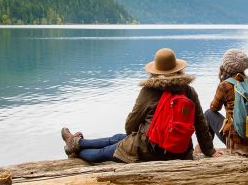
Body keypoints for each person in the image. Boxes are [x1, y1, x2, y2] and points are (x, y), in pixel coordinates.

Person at [61, 48, 221, 163]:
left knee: (104, 152)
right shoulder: (189, 91)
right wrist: (210, 151)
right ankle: (77, 142)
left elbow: (130, 125)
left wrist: (134, 135)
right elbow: (200, 123)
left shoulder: (150, 90)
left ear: (155, 70)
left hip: (149, 149)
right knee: (116, 138)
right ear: (178, 69)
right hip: (180, 151)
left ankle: (75, 151)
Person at [204, 49, 248, 155]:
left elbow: (214, 108)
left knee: (208, 113)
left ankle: (207, 149)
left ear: (226, 66)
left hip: (239, 142)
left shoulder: (225, 85)